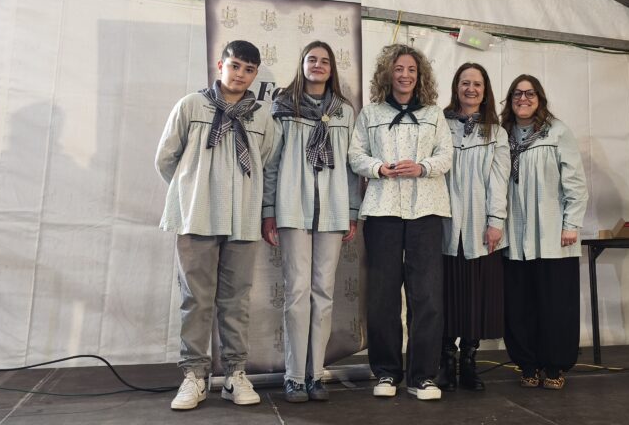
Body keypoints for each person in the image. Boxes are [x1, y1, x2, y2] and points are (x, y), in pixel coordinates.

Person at [155, 40, 277, 411]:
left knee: (236, 299)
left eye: (249, 69)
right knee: (196, 299)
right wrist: (192, 193)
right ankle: (194, 375)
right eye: (235, 65)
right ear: (220, 65)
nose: (240, 74)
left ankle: (235, 373)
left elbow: (265, 164)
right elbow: (166, 159)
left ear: (255, 75)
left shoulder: (262, 117)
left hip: (242, 220)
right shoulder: (191, 106)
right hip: (197, 218)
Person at [349, 43, 453, 401]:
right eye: (398, 69)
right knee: (383, 296)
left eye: (411, 69)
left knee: (427, 296)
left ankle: (423, 376)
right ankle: (386, 372)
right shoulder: (371, 113)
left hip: (427, 211)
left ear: (419, 75)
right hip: (383, 212)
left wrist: (422, 167)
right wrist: (378, 167)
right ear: (387, 73)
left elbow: (446, 156)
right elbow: (355, 155)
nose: (405, 75)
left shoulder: (434, 114)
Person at [261, 41, 359, 403]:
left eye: (324, 61)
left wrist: (352, 212)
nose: (318, 65)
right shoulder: (283, 106)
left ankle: (316, 374)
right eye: (311, 59)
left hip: (332, 210)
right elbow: (272, 162)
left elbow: (351, 166)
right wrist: (268, 210)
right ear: (301, 65)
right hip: (292, 208)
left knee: (324, 292)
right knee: (298, 291)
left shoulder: (344, 111)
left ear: (332, 69)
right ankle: (293, 376)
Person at [500, 74, 587, 390]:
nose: (523, 98)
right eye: (517, 94)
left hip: (553, 236)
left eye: (530, 93)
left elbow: (575, 181)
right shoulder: (501, 135)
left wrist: (571, 224)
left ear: (540, 98)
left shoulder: (557, 132)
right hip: (514, 236)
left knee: (555, 305)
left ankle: (554, 366)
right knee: (519, 305)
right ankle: (527, 364)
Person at [436, 63, 509, 392]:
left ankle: (469, 362)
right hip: (445, 224)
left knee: (476, 299)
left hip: (480, 227)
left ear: (485, 90)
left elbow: (499, 180)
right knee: (445, 296)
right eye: (465, 83)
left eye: (477, 84)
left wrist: (495, 221)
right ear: (456, 87)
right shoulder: (440, 123)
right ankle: (445, 361)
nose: (471, 89)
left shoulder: (496, 132)